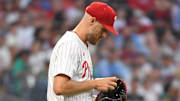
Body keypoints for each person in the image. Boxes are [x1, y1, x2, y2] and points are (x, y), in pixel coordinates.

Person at [47, 2, 119, 101]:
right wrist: (95, 83)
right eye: (103, 30)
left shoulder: (81, 45)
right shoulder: (71, 44)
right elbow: (60, 87)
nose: (104, 35)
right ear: (92, 20)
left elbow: (77, 94)